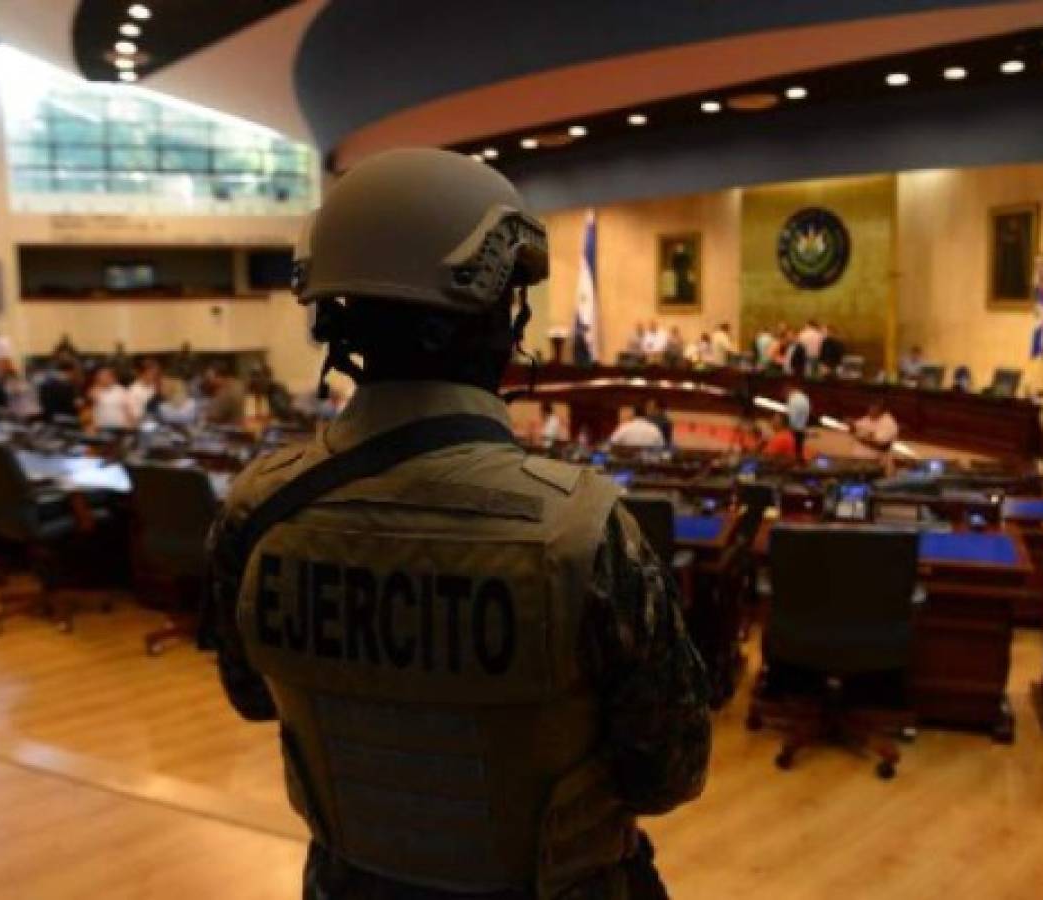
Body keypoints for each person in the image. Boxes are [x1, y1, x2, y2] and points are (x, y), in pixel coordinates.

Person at [204, 148, 710, 900]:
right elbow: (666, 772)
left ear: (338, 319)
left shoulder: (256, 511)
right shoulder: (583, 529)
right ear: (484, 319)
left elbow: (251, 697)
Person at [89, 366, 134, 430]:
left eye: (106, 376)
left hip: (120, 427)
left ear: (112, 377)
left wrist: (131, 424)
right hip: (101, 427)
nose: (103, 379)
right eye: (100, 376)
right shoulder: (94, 391)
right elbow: (89, 408)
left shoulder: (121, 390)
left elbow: (128, 408)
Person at [128, 358, 164, 422]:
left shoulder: (158, 386)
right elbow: (135, 414)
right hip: (143, 422)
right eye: (152, 373)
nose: (155, 376)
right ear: (142, 374)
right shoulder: (134, 390)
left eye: (157, 373)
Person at [785, 383, 811, 459]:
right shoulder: (804, 398)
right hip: (801, 428)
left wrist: (790, 427)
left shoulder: (793, 399)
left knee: (794, 450)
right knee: (799, 449)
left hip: (794, 429)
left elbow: (792, 416)